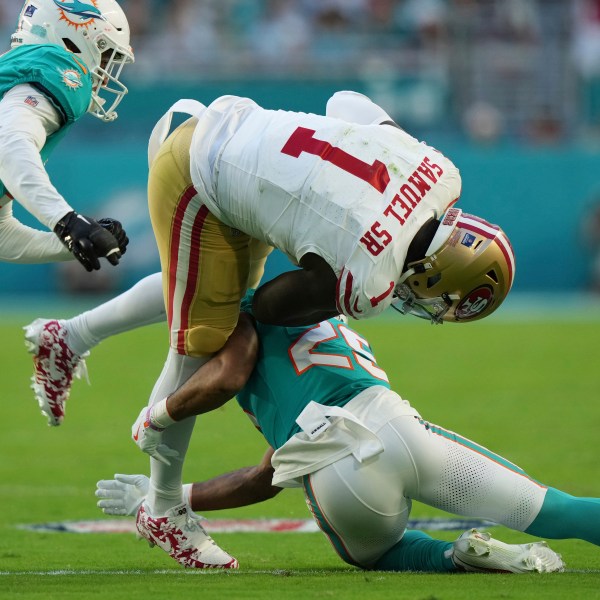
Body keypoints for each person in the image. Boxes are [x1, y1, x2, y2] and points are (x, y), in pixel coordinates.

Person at [25, 90, 515, 427]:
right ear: (444, 269)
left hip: (239, 128)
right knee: (202, 341)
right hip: (203, 175)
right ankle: (161, 503)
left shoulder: (441, 171)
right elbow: (271, 309)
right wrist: (335, 285)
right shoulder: (373, 281)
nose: (431, 306)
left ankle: (70, 336)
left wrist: (387, 141)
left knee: (204, 290)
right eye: (442, 300)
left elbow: (345, 102)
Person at [94, 291, 597, 573]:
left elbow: (226, 382)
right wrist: (175, 497)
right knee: (556, 509)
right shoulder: (319, 308)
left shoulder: (237, 309)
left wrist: (158, 418)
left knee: (379, 552)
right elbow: (262, 474)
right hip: (395, 430)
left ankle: (454, 557)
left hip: (332, 471)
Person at [1, 0, 133, 269]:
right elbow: (10, 143)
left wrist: (77, 238)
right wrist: (66, 220)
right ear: (72, 40)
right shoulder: (56, 66)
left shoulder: (17, 76)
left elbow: (2, 236)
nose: (105, 77)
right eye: (105, 55)